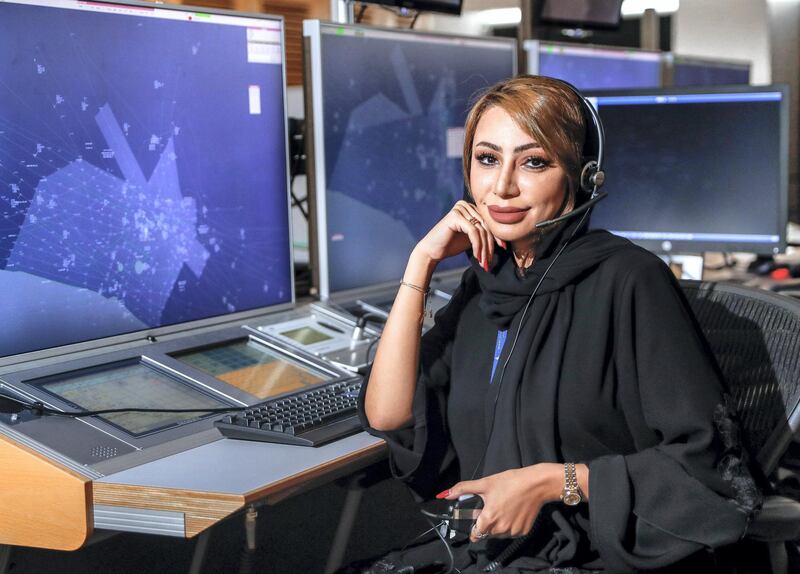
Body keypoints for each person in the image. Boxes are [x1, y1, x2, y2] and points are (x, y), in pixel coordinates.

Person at [355, 75, 761, 574]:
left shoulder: (630, 280)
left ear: (583, 176)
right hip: (491, 552)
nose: (501, 186)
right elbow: (388, 414)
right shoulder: (486, 285)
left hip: (596, 557)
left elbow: (712, 469)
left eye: (533, 162)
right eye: (487, 159)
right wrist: (421, 262)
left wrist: (555, 481)